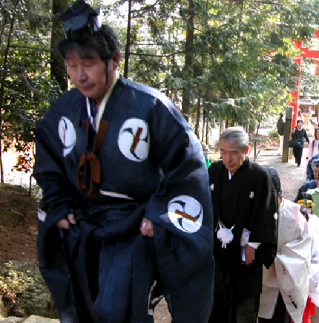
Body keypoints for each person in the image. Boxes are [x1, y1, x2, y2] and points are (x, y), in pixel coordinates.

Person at [34, 1, 214, 322]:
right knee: (82, 305)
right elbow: (48, 161)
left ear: (113, 60)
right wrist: (58, 205)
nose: (80, 75)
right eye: (72, 65)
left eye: (88, 63)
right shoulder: (64, 108)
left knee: (117, 312)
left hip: (131, 227)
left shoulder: (150, 106)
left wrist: (158, 213)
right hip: (81, 223)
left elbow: (187, 165)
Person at [208, 127, 277, 323]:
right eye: (223, 152)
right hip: (218, 247)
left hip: (244, 250)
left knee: (243, 302)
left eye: (233, 153)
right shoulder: (214, 171)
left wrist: (253, 245)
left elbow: (267, 211)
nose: (227, 159)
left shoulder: (259, 175)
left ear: (245, 150)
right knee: (217, 297)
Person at [258, 167, 312, 323]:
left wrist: (277, 259)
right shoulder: (255, 213)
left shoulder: (295, 215)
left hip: (286, 287)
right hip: (261, 285)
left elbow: (303, 251)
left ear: (280, 196)